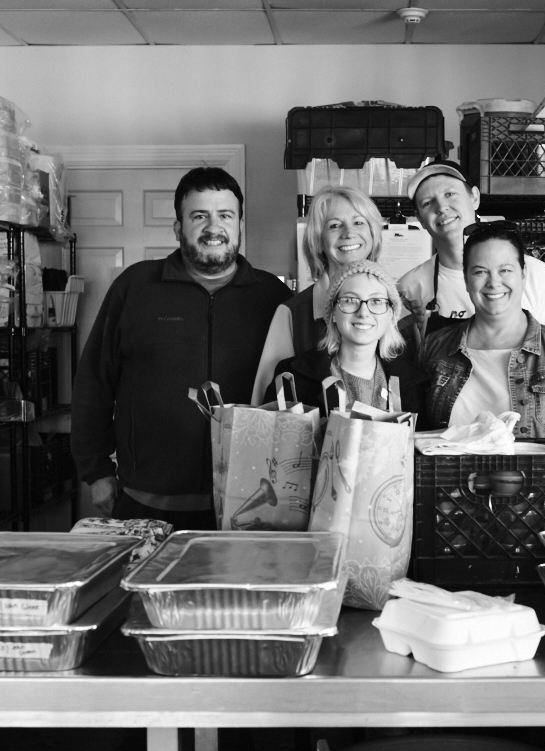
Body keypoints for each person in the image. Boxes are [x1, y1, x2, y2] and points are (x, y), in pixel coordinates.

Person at [71, 166, 292, 528]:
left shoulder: (274, 299)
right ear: (178, 228)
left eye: (225, 215)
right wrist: (95, 470)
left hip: (250, 500)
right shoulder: (135, 288)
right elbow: (94, 381)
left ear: (239, 225)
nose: (213, 227)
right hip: (145, 498)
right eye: (199, 216)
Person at [420, 221, 545, 528]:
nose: (494, 283)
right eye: (480, 271)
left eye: (505, 269)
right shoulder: (435, 348)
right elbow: (417, 446)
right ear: (466, 280)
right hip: (449, 524)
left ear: (523, 275)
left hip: (537, 522)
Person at [396, 160, 545, 348]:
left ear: (474, 197)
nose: (441, 207)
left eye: (450, 194)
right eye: (427, 203)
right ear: (420, 220)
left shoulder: (534, 273)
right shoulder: (408, 288)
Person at [250, 185, 384, 406]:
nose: (349, 233)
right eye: (334, 225)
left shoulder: (401, 309)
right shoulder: (292, 314)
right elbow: (268, 406)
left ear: (373, 234)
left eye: (359, 222)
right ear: (318, 240)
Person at [267, 260, 426, 414]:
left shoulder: (414, 383)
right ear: (334, 313)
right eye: (350, 300)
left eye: (376, 301)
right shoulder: (291, 378)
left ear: (390, 314)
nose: (363, 313)